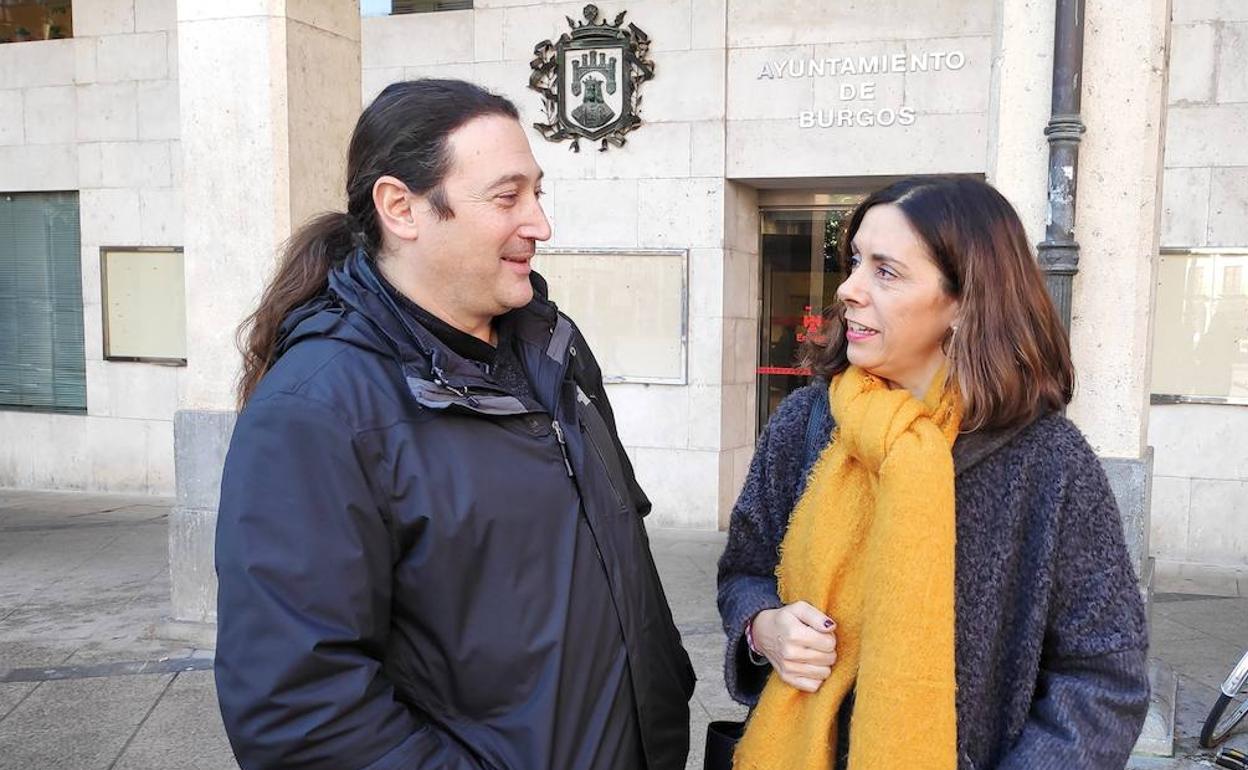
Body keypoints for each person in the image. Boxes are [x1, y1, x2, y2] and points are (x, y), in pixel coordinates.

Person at [214, 79, 694, 770]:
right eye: (507, 198)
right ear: (401, 208)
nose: (540, 223)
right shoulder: (316, 412)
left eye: (538, 192)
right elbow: (300, 711)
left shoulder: (553, 347)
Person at [717, 176, 1149, 770]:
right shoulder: (806, 422)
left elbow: (1103, 677)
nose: (848, 288)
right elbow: (744, 569)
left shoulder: (1048, 462)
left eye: (885, 271)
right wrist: (763, 627)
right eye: (854, 262)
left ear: (965, 300)